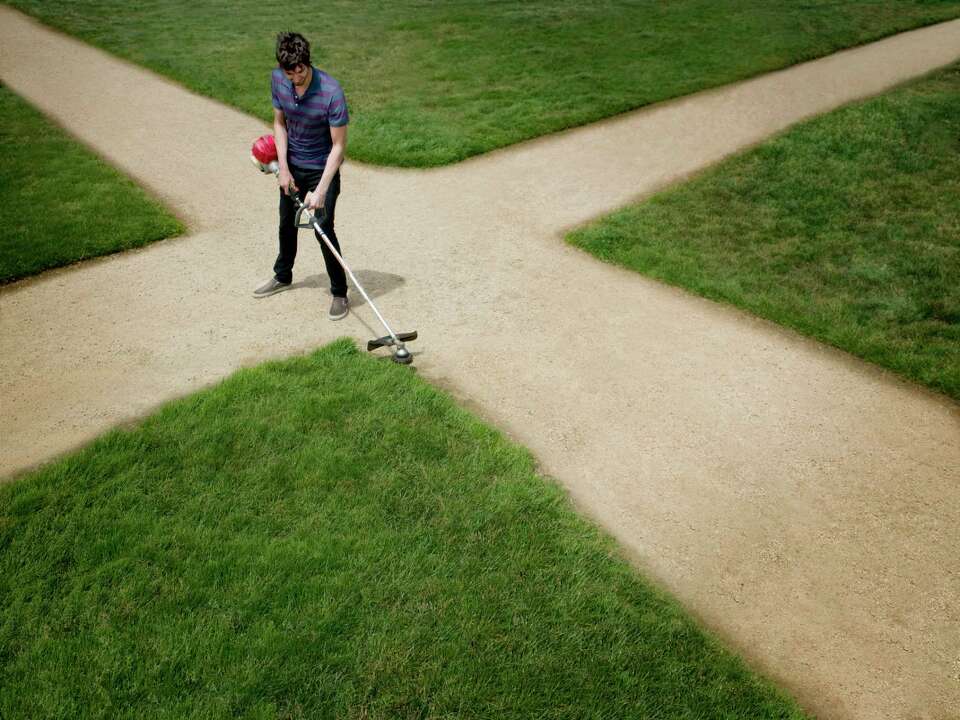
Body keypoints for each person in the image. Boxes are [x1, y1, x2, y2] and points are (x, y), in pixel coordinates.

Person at [253, 31, 351, 321]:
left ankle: (340, 293)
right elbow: (279, 123)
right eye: (290, 72)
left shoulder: (331, 92)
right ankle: (282, 276)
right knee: (286, 223)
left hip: (323, 168)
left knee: (323, 228)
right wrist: (283, 168)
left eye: (301, 70)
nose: (296, 77)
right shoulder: (278, 81)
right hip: (293, 166)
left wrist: (320, 190)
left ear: (308, 63)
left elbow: (339, 147)